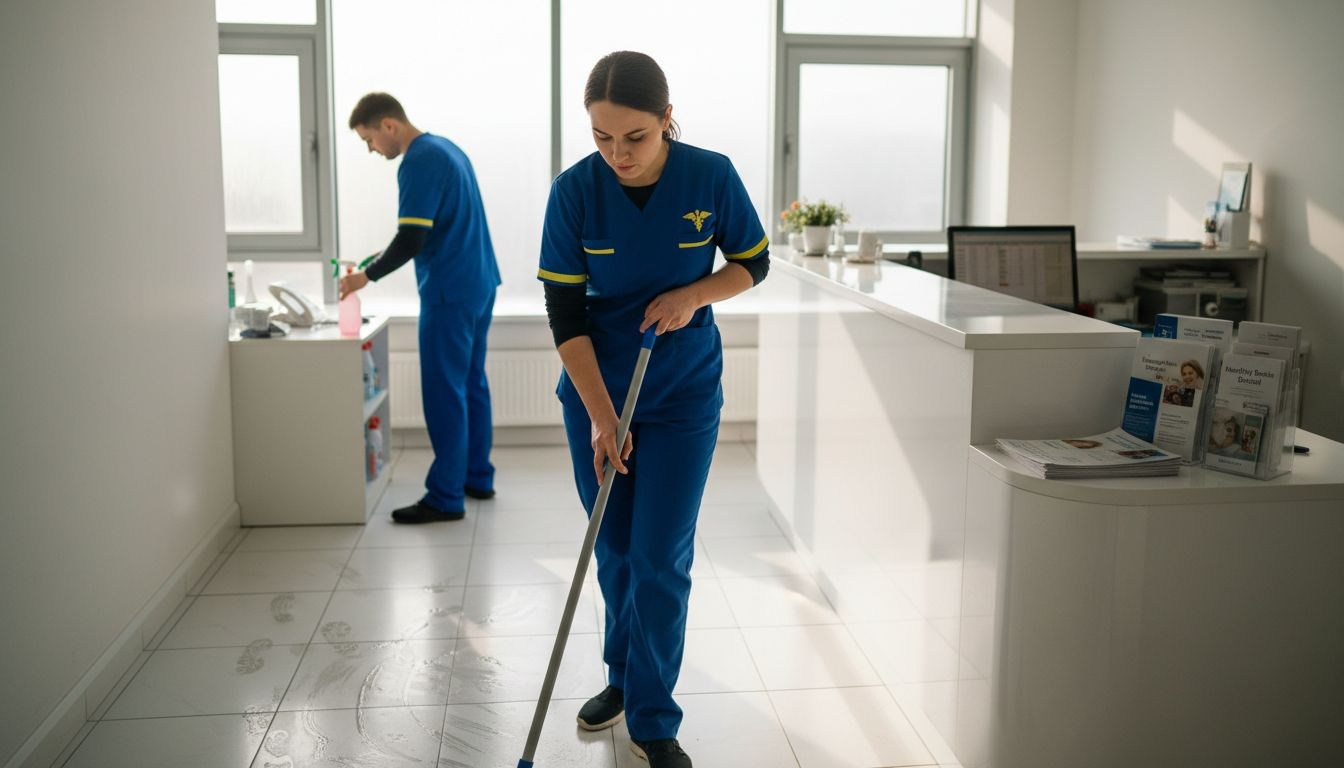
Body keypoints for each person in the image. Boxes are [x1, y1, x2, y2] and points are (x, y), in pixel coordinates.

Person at [537, 51, 769, 768]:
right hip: (598, 389)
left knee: (659, 555)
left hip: (682, 391)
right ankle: (620, 675)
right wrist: (604, 418)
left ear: (667, 119)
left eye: (634, 137)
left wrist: (693, 295)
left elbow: (753, 262)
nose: (618, 155)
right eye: (602, 138)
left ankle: (653, 716)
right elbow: (565, 313)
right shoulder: (575, 192)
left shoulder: (711, 175)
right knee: (614, 549)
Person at [341, 93, 501, 524]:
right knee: (470, 384)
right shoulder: (447, 148)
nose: (372, 150)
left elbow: (412, 238)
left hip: (449, 292)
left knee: (445, 392)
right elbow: (430, 229)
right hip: (480, 282)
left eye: (368, 139)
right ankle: (477, 477)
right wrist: (381, 256)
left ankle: (446, 496)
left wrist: (364, 277)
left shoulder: (416, 161)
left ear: (388, 125)